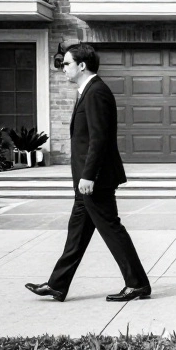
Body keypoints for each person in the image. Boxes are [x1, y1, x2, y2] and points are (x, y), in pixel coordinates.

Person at [26, 43, 151, 303]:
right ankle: (57, 285)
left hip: (95, 179)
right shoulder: (88, 91)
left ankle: (137, 284)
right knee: (77, 233)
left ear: (82, 65)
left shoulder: (96, 92)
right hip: (87, 180)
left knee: (112, 229)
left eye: (66, 63)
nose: (63, 68)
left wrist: (88, 175)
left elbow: (99, 139)